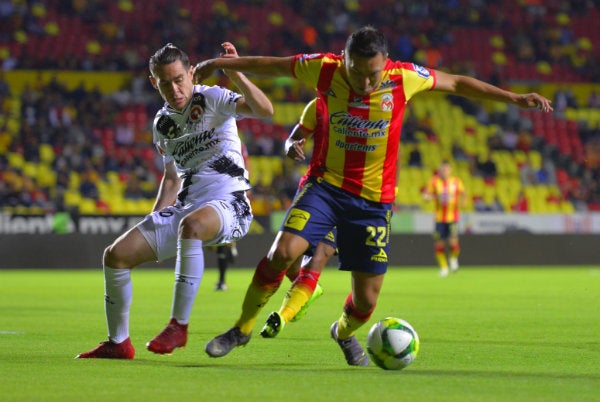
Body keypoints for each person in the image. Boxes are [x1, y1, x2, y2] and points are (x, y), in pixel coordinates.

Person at [194, 26, 553, 366]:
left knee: (365, 302)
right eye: (356, 72)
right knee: (282, 253)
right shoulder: (324, 69)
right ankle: (241, 328)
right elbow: (273, 66)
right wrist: (221, 64)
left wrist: (513, 98)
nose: (365, 83)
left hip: (372, 203)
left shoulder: (405, 77)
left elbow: (457, 81)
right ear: (344, 59)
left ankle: (342, 331)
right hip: (325, 187)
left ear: (386, 63)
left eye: (373, 74)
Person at [76, 42, 273, 359]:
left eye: (179, 78)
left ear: (191, 73)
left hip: (231, 203)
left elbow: (265, 110)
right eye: (165, 82)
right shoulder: (162, 125)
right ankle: (118, 343)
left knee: (191, 225)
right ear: (154, 82)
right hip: (187, 208)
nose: (174, 88)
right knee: (116, 255)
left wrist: (234, 72)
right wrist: (154, 219)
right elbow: (171, 177)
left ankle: (178, 326)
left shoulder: (212, 97)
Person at [259, 98, 335, 338]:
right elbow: (293, 137)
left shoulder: (371, 107)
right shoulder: (319, 105)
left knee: (319, 256)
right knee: (287, 255)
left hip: (349, 194)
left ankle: (282, 316)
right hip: (315, 189)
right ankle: (309, 290)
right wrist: (291, 146)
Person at [422, 161, 466, 277]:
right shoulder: (434, 182)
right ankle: (444, 268)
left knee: (453, 243)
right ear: (439, 171)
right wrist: (427, 197)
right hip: (439, 219)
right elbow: (427, 195)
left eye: (446, 169)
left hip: (453, 218)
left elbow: (463, 193)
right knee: (439, 245)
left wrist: (463, 201)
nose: (444, 172)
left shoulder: (456, 182)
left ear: (450, 170)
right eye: (442, 170)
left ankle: (453, 258)